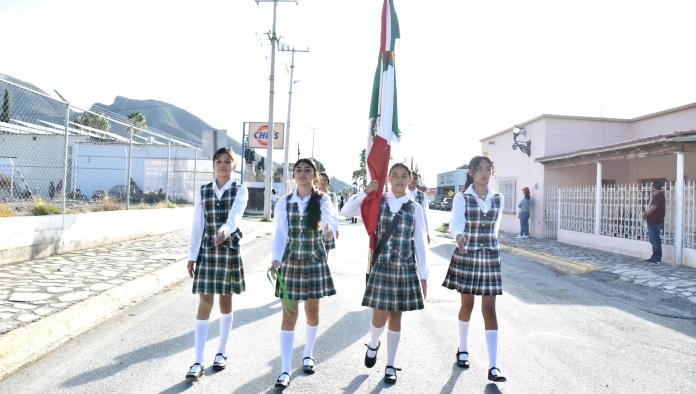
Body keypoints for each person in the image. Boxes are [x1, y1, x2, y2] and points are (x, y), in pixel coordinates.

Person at [340, 163, 428, 385]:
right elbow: (346, 212)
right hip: (382, 266)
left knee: (396, 317)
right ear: (388, 178)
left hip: (405, 269)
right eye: (395, 175)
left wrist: (424, 276)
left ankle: (390, 364)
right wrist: (367, 190)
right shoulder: (378, 202)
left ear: (410, 179)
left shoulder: (415, 207)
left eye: (404, 176)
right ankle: (373, 343)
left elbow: (420, 243)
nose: (399, 179)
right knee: (379, 315)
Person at [270, 158, 337, 389]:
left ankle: (308, 354)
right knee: (288, 314)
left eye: (307, 170)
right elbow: (280, 233)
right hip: (290, 261)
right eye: (298, 169)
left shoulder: (323, 199)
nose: (302, 173)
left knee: (312, 310)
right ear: (293, 175)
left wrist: (329, 231)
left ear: (314, 175)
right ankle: (285, 368)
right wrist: (276, 258)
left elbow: (330, 221)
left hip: (314, 259)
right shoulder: (284, 202)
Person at [185, 147, 249, 382]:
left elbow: (236, 216)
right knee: (204, 302)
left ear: (234, 166)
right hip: (207, 251)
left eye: (227, 161)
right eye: (219, 161)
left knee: (225, 300)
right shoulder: (203, 191)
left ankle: (221, 352)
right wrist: (192, 255)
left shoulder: (240, 189)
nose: (223, 165)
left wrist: (224, 231)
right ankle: (197, 360)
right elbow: (197, 224)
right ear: (213, 164)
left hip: (228, 249)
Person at [442, 155, 506, 383]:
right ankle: (463, 348)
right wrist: (459, 236)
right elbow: (456, 222)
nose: (484, 172)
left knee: (490, 309)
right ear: (471, 171)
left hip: (489, 256)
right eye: (480, 169)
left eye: (488, 168)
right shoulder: (462, 197)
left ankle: (493, 366)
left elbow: (495, 228)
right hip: (467, 255)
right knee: (467, 305)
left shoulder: (498, 198)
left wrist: (490, 247)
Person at [316, 172, 340, 256]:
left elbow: (335, 212)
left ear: (328, 182)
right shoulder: (313, 194)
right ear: (317, 181)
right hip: (315, 228)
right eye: (321, 180)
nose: (322, 182)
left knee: (326, 254)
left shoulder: (332, 196)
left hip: (329, 228)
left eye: (325, 180)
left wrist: (336, 228)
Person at [642, 180, 666, 263]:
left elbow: (653, 208)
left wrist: (645, 215)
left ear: (654, 187)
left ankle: (657, 258)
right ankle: (654, 257)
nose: (650, 187)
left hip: (655, 221)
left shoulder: (658, 196)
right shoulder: (657, 195)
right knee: (653, 240)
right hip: (653, 221)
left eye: (652, 186)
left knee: (655, 240)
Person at [408, 171, 431, 243]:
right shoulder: (401, 193)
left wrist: (427, 233)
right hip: (405, 229)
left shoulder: (422, 195)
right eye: (411, 178)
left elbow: (425, 216)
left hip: (418, 230)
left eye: (415, 178)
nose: (413, 180)